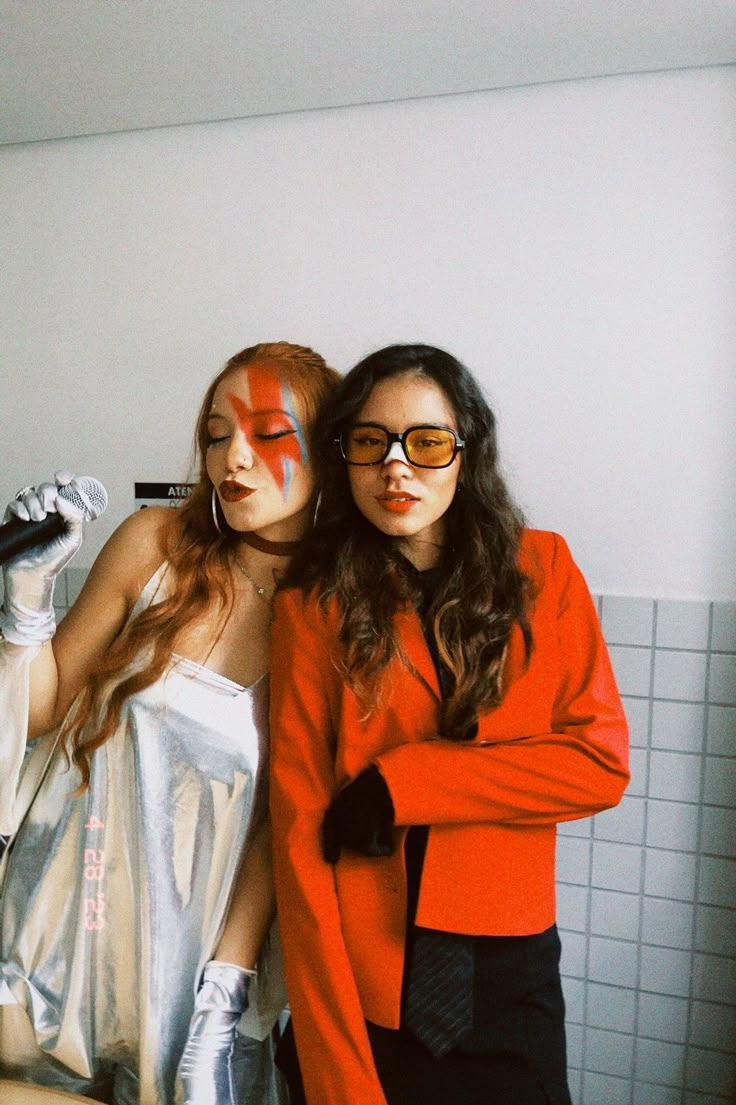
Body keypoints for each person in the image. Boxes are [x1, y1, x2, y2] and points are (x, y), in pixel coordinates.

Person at [268, 343, 630, 1105]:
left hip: (508, 975)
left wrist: (405, 781)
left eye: (426, 442)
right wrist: (335, 1070)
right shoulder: (312, 603)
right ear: (344, 457)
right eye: (370, 442)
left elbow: (599, 763)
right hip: (363, 980)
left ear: (466, 450)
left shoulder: (545, 570)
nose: (397, 467)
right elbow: (300, 834)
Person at [0, 342, 340, 1105]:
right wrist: (25, 602)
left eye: (268, 433)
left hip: (192, 986)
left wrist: (223, 997)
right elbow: (45, 708)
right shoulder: (154, 545)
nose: (233, 457)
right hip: (51, 945)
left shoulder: (338, 617)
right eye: (218, 434)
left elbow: (284, 826)